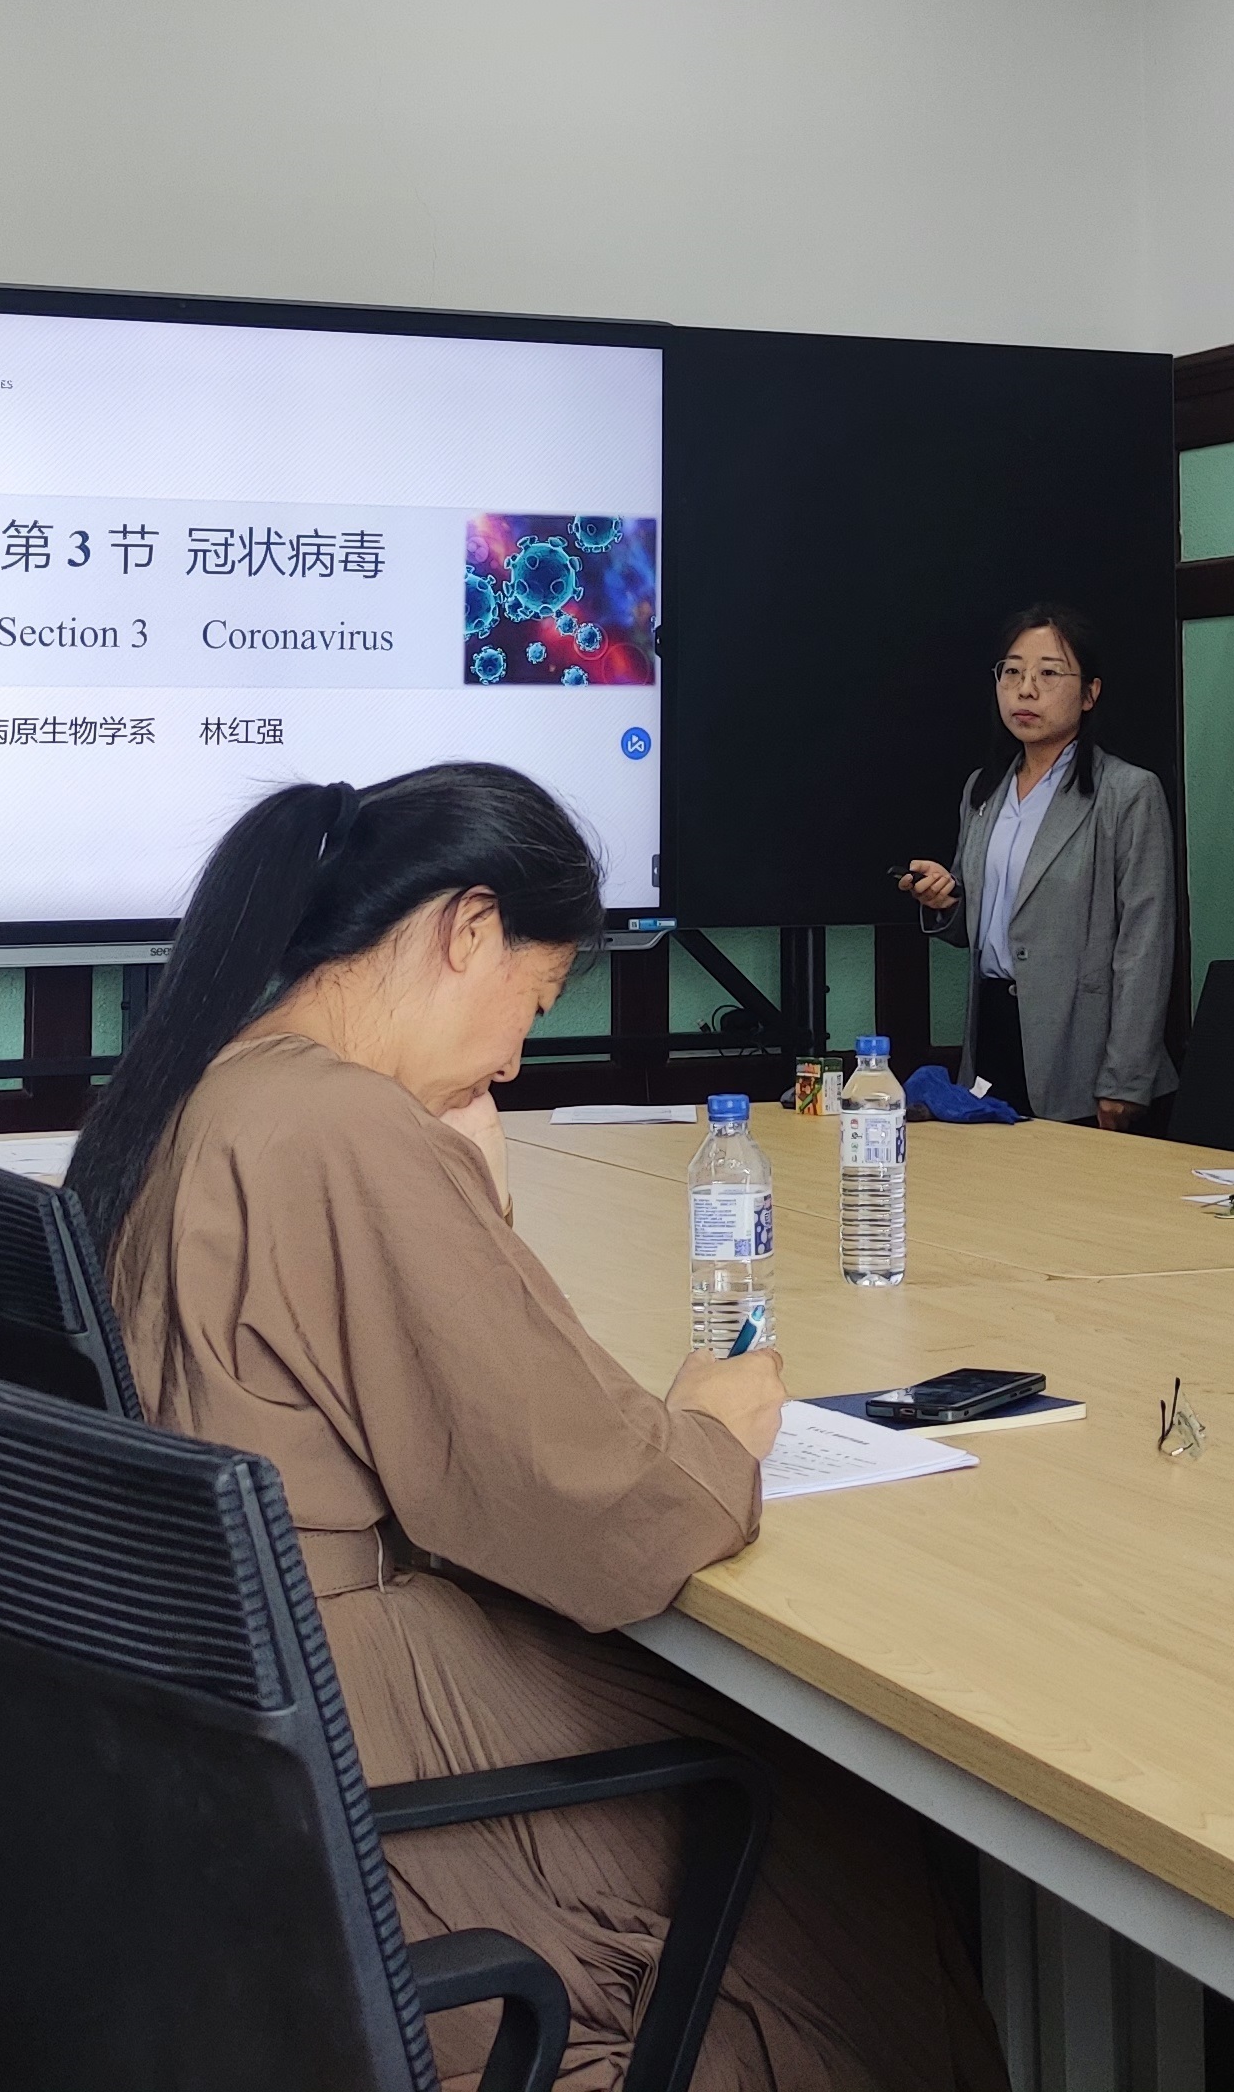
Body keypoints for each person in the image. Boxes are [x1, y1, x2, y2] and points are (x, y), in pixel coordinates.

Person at [81, 764, 1005, 2092]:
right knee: (835, 1802)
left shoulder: (226, 1082)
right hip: (357, 1720)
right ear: (467, 929)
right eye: (537, 996)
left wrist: (467, 1193)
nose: (516, 1056)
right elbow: (586, 1503)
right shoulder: (339, 1125)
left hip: (238, 1718)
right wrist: (710, 1428)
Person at [892, 600, 1178, 1126]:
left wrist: (1125, 1077)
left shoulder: (1127, 792)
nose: (1026, 690)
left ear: (1090, 693)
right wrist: (945, 900)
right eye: (1012, 672)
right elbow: (980, 922)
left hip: (1081, 1045)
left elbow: (1146, 945)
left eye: (1048, 674)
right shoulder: (983, 789)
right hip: (993, 1031)